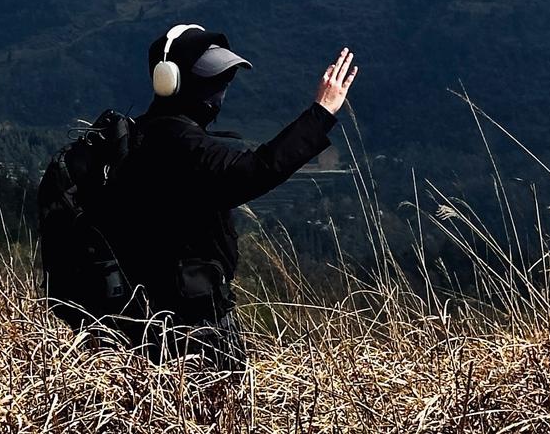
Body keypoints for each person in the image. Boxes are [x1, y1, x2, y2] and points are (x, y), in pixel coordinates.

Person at [97, 22, 358, 371]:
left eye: (222, 80)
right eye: (209, 79)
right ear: (169, 80)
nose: (219, 89)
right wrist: (320, 113)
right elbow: (255, 172)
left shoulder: (143, 135)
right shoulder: (181, 145)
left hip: (143, 323)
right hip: (190, 329)